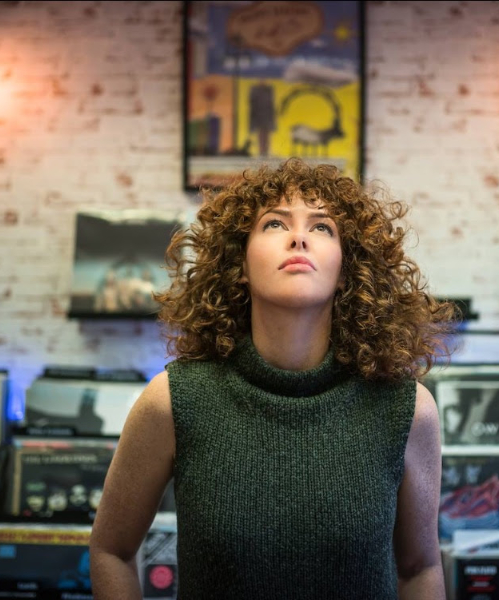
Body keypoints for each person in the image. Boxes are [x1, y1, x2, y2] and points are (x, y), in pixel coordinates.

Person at [89, 158, 458, 599]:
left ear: (347, 270)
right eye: (274, 224)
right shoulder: (173, 402)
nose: (299, 236)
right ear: (239, 264)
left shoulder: (406, 409)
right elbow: (111, 549)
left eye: (322, 227)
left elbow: (420, 569)